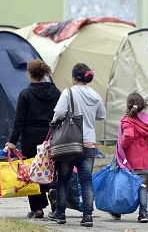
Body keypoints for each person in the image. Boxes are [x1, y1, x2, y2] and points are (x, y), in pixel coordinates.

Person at [48, 62, 106, 227]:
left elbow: (58, 113)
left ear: (74, 77)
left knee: (64, 179)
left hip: (70, 143)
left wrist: (55, 121)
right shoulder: (95, 95)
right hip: (89, 143)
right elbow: (102, 115)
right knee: (86, 180)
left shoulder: (68, 93)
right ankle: (87, 215)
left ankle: (60, 213)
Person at [5, 59, 61, 219]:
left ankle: (38, 210)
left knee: (33, 170)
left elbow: (19, 120)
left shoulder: (26, 94)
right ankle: (51, 188)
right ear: (44, 73)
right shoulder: (56, 92)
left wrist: (12, 141)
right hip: (50, 136)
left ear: (29, 74)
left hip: (30, 136)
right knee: (49, 167)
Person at [109, 91, 148, 223]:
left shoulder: (127, 120)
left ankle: (117, 210)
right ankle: (143, 213)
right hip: (146, 160)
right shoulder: (147, 121)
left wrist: (122, 146)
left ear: (128, 105)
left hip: (131, 160)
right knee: (142, 186)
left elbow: (129, 135)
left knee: (125, 185)